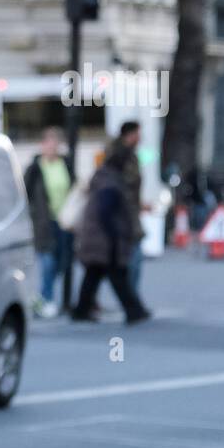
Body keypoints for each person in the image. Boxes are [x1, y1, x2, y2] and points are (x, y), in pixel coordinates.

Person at [71, 150, 151, 324]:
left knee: (94, 276)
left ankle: (81, 310)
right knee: (117, 276)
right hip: (105, 240)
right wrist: (115, 235)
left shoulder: (103, 179)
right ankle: (133, 310)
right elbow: (106, 212)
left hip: (96, 237)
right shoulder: (111, 183)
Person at [23, 126, 74, 318]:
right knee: (48, 262)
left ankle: (41, 297)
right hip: (44, 222)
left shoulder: (65, 164)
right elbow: (25, 193)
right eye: (49, 144)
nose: (52, 148)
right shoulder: (35, 168)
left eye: (55, 144)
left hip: (64, 220)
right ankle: (47, 298)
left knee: (62, 260)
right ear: (42, 145)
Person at [105, 121, 146, 295]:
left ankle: (131, 299)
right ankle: (131, 299)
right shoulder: (119, 156)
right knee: (131, 259)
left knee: (129, 258)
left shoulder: (129, 155)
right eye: (137, 133)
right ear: (129, 135)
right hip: (122, 216)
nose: (140, 138)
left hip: (128, 214)